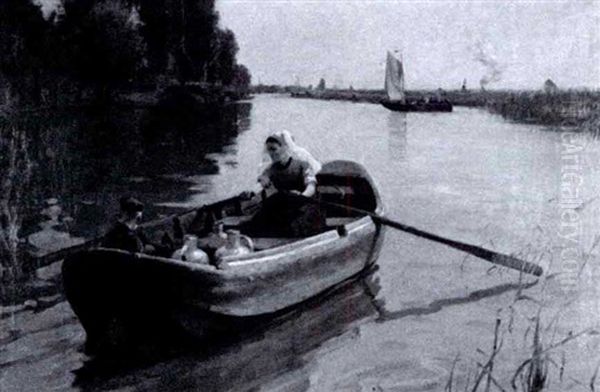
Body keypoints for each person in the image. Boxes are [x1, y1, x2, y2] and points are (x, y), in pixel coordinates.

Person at [242, 132, 325, 237]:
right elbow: (261, 183)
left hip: (305, 204)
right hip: (286, 205)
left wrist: (300, 196)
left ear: (284, 148)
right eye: (269, 150)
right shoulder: (271, 169)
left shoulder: (302, 165)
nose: (271, 154)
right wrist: (251, 192)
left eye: (274, 149)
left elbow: (311, 187)